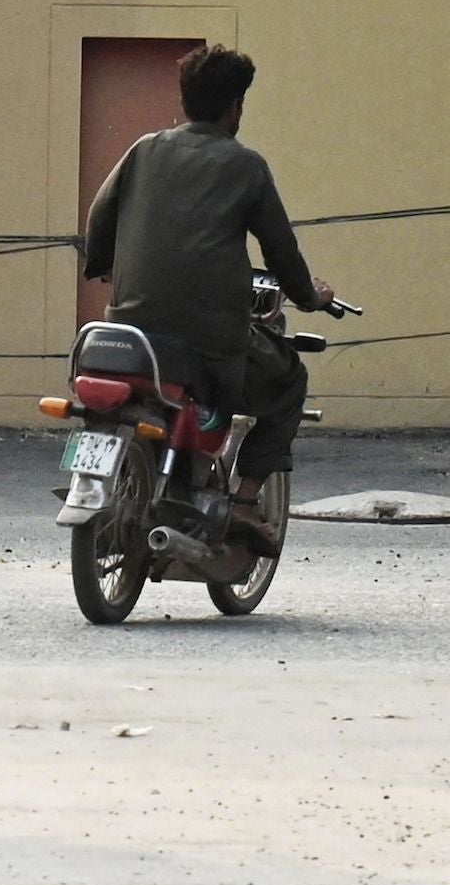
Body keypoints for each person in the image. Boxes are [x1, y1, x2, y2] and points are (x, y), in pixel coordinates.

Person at [81, 42, 346, 526]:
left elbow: (101, 216)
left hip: (128, 335)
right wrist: (311, 296)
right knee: (289, 381)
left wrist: (102, 266)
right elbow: (281, 253)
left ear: (184, 100)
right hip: (208, 344)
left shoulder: (143, 149)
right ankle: (244, 506)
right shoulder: (246, 166)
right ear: (235, 106)